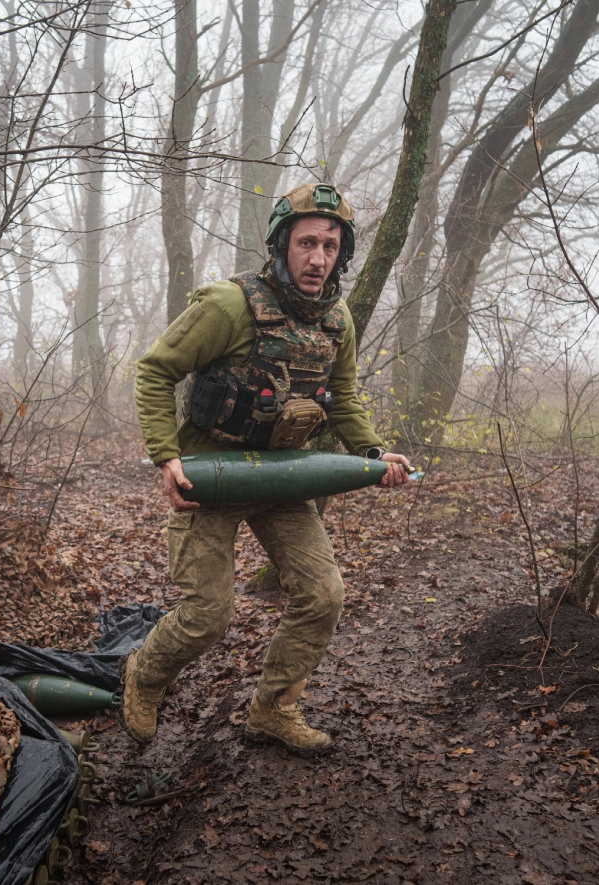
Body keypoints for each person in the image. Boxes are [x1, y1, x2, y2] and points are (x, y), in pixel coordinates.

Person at [127, 182, 412, 754]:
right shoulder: (229, 306)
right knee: (208, 615)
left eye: (331, 246)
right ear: (283, 245)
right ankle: (145, 675)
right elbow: (156, 371)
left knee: (323, 593)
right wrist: (167, 458)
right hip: (211, 474)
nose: (318, 258)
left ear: (343, 253)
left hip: (283, 476)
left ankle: (273, 709)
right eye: (307, 243)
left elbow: (346, 395)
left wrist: (374, 454)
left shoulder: (337, 321)